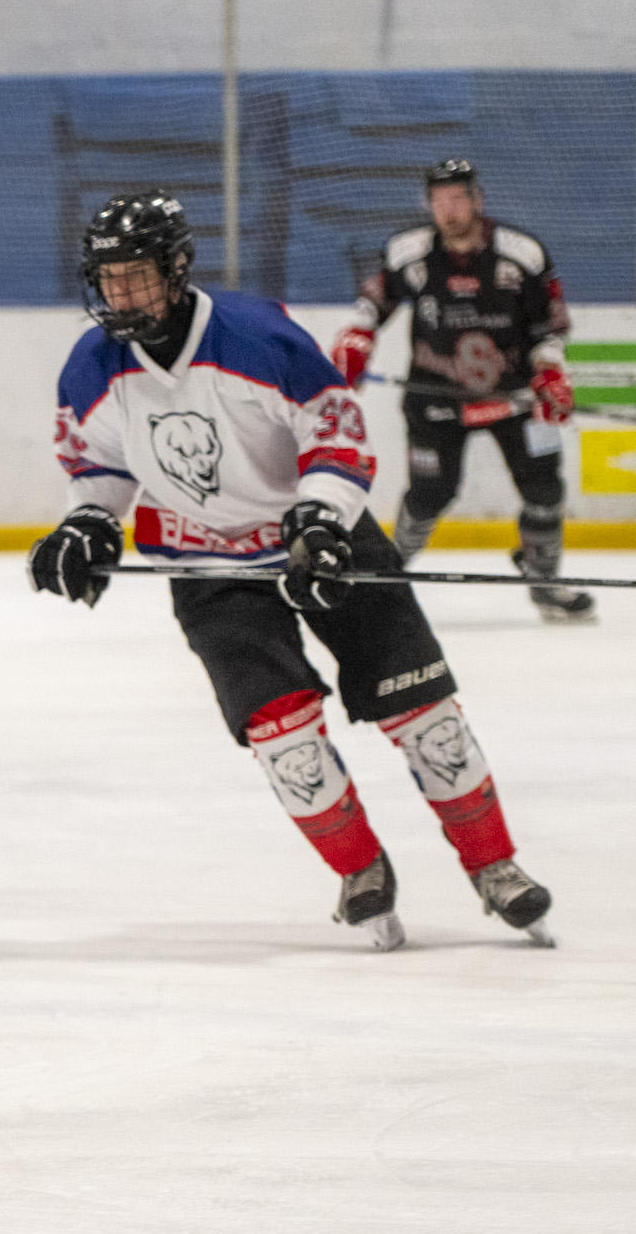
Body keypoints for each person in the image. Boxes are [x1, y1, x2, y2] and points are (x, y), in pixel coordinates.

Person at [30, 192, 553, 951]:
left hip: (324, 541)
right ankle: (360, 870)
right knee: (286, 741)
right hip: (208, 565)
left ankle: (495, 866)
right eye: (109, 279)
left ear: (176, 269)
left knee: (428, 719)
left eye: (137, 276)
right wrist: (88, 519)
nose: (121, 295)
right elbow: (96, 460)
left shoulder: (255, 336)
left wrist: (316, 520)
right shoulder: (92, 365)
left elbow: (336, 436)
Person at [329, 159, 589, 623]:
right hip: (436, 400)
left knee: (545, 488)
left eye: (458, 198)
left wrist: (550, 369)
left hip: (514, 399)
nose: (448, 210)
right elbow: (373, 301)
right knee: (429, 495)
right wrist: (358, 336)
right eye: (439, 200)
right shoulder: (409, 252)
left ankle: (545, 580)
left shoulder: (522, 255)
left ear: (477, 200)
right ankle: (383, 579)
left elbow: (550, 326)